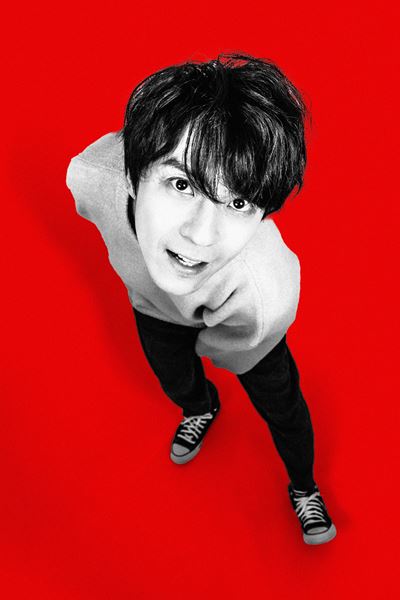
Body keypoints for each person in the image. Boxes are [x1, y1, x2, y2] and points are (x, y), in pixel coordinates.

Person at [66, 53, 336, 545]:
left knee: (283, 408)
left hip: (243, 323)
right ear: (130, 177)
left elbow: (236, 345)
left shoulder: (265, 293)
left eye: (238, 202)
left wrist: (211, 335)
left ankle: (304, 486)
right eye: (182, 184)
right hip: (150, 309)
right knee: (173, 378)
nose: (201, 235)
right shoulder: (91, 177)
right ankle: (201, 409)